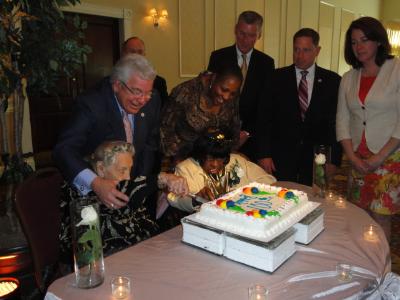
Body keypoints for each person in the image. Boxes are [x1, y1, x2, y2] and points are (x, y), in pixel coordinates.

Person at [53, 54, 165, 212]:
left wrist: (138, 185)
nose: (142, 100)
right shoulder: (91, 104)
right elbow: (64, 149)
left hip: (131, 194)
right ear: (117, 85)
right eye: (137, 91)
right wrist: (95, 182)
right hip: (92, 196)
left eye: (148, 93)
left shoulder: (152, 100)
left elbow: (149, 145)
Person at [59, 141, 188, 259]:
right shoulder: (83, 191)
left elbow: (147, 224)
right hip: (95, 264)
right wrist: (163, 178)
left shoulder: (127, 192)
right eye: (122, 170)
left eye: (130, 170)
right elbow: (126, 190)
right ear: (101, 169)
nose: (127, 177)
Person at [336, 16, 400, 240]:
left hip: (389, 159)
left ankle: (382, 270)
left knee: (381, 217)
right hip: (357, 159)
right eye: (353, 42)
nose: (358, 47)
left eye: (364, 40)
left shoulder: (397, 69)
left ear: (379, 41)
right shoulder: (348, 78)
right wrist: (352, 157)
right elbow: (342, 120)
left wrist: (379, 157)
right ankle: (361, 266)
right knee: (358, 215)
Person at [257, 28, 342, 185]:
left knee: (313, 203)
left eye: (306, 50)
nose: (300, 55)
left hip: (317, 159)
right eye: (296, 49)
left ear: (317, 50)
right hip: (280, 158)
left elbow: (336, 124)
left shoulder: (333, 81)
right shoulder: (276, 78)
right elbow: (264, 119)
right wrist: (264, 154)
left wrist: (334, 160)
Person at [207, 10, 275, 162]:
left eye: (251, 35)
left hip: (251, 140)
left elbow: (264, 106)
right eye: (242, 33)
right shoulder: (218, 57)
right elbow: (210, 98)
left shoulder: (266, 63)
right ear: (235, 30)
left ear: (259, 35)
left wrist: (246, 133)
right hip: (219, 136)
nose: (245, 40)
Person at [167, 128, 276, 213]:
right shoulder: (186, 168)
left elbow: (268, 180)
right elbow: (173, 198)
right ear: (200, 155)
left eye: (220, 159)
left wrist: (242, 193)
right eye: (210, 159)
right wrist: (197, 198)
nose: (215, 164)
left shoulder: (236, 161)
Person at [160, 66, 242, 166]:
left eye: (232, 94)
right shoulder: (185, 92)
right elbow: (165, 128)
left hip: (215, 159)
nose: (226, 97)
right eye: (224, 90)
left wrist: (227, 154)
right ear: (214, 77)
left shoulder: (232, 97)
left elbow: (234, 128)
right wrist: (176, 158)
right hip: (183, 158)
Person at [121, 36, 168, 107]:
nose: (137, 56)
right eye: (132, 52)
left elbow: (164, 112)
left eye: (140, 52)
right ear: (123, 54)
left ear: (144, 55)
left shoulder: (158, 83)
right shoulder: (113, 81)